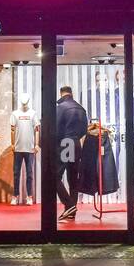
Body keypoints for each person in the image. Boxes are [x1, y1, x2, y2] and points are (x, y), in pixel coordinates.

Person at [55, 85, 88, 220]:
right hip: (75, 143)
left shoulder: (61, 108)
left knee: (54, 177)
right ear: (71, 93)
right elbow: (83, 130)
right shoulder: (81, 108)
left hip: (65, 143)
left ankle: (69, 205)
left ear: (61, 93)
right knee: (73, 179)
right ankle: (71, 211)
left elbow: (56, 129)